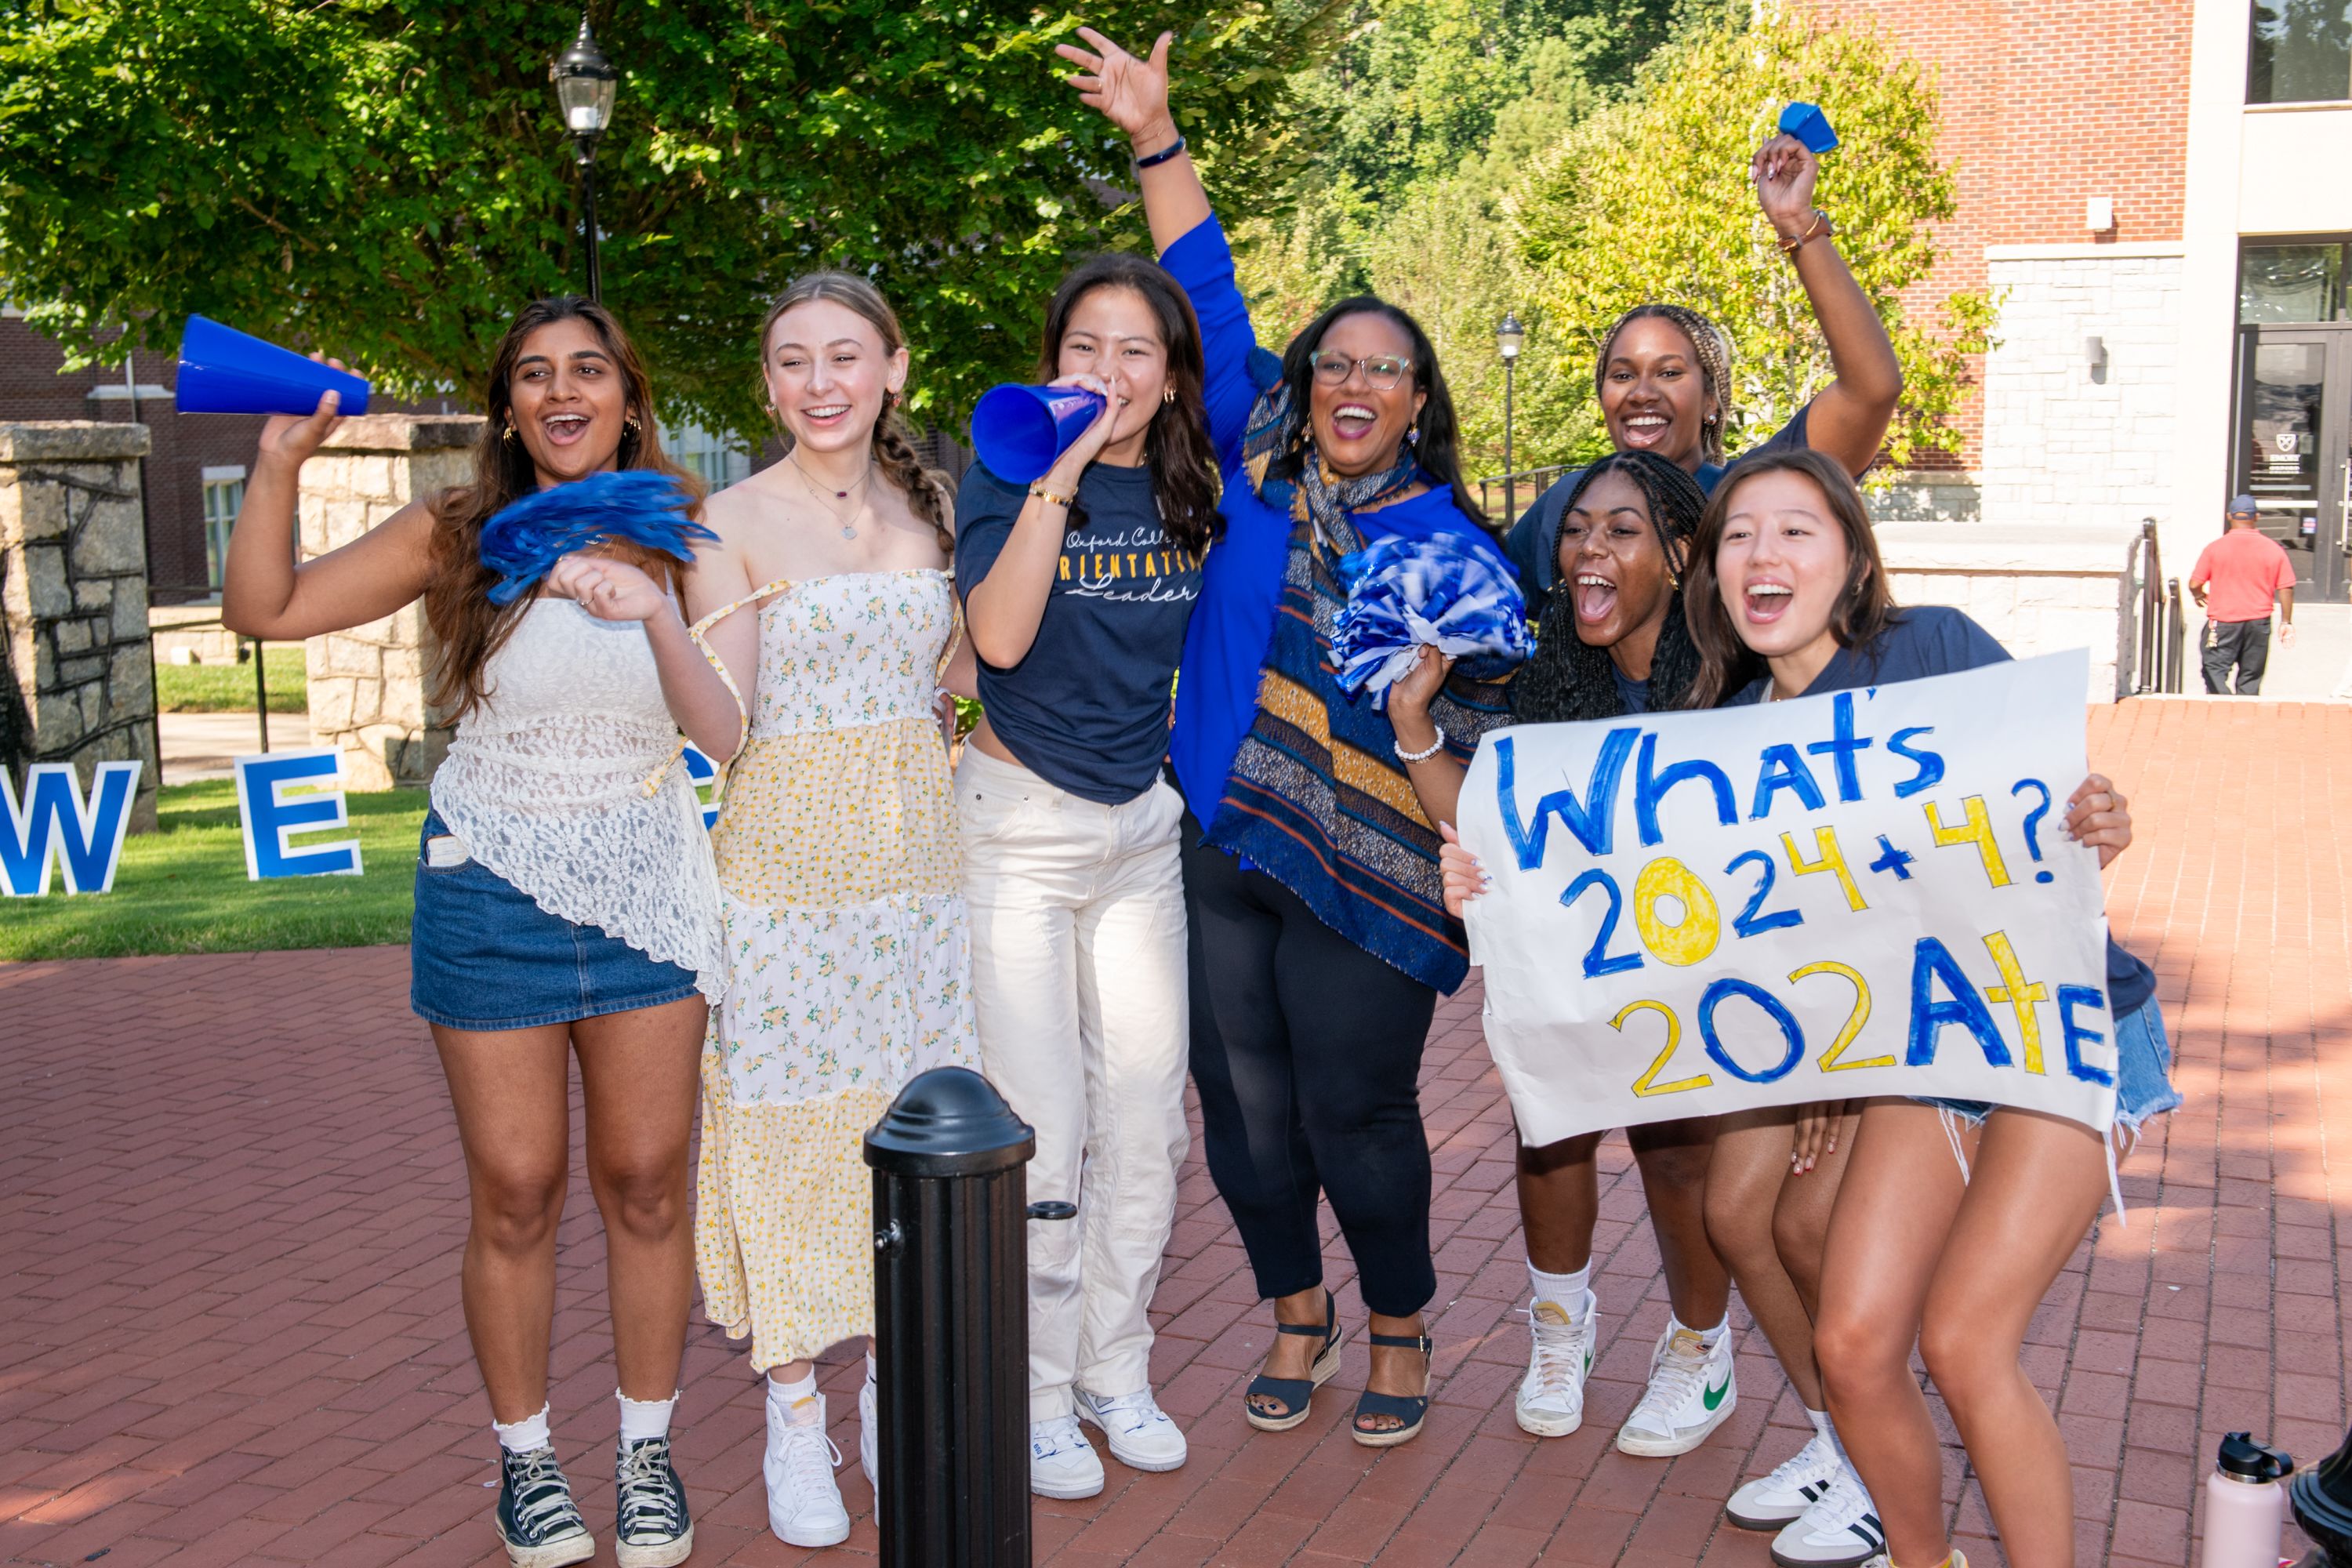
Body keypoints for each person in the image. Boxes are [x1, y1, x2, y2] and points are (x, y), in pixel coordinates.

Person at [1062, 26, 1517, 1448]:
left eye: (1387, 369)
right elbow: (1203, 278)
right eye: (1335, 363)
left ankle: (1397, 1322)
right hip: (1215, 836)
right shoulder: (1251, 470)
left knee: (1355, 1113)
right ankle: (1294, 1315)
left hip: (1371, 860)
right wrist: (1155, 131)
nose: (1355, 384)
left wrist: (1432, 717)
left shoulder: (1456, 550)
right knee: (1244, 1118)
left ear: (1417, 403)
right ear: (1305, 383)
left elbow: (1491, 732)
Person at [221, 298, 721, 1568]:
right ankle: (528, 1463)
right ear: (508, 407)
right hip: (489, 882)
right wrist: (279, 464)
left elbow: (730, 722)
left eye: (588, 371)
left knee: (649, 1184)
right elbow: (264, 611)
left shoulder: (683, 524)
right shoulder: (458, 532)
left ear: (628, 394)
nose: (563, 393)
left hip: (647, 885)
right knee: (515, 1191)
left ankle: (648, 1452)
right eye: (536, 376)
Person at [1676, 449, 2178, 1568]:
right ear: (1714, 574)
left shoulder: (1934, 646)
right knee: (1853, 1347)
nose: (1765, 552)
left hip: (2059, 1030)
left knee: (1963, 1343)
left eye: (1797, 530)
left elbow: (2056, 804)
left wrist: (2099, 814)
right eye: (1739, 534)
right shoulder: (1720, 746)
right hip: (1928, 1051)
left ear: (1852, 561)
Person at [681, 273, 977, 1547]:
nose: (819, 382)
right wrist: (656, 621)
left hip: (919, 880)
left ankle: (889, 1392)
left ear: (893, 371)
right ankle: (794, 1411)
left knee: (906, 1131)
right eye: (793, 361)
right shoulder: (728, 518)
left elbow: (960, 674)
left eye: (844, 357)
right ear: (767, 385)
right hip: (784, 880)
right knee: (789, 1136)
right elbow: (724, 727)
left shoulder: (937, 506)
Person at [1406, 452, 1756, 1461]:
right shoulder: (1556, 667)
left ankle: (1700, 1346)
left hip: (1706, 961)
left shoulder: (1740, 675)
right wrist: (1415, 724)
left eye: (1622, 529)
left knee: (1681, 1150)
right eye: (1576, 529)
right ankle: (1561, 1328)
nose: (1588, 547)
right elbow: (1492, 822)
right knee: (1548, 1121)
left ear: (1681, 554)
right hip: (1589, 956)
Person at [953, 252, 1221, 1497]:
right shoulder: (1006, 466)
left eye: (1135, 353)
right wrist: (1055, 473)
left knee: (1149, 1121)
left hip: (1136, 835)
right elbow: (997, 641)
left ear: (1170, 382)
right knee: (1045, 1132)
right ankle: (1040, 1392)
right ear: (1050, 358)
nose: (1106, 373)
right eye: (1083, 349)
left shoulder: (1193, 492)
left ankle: (1117, 1368)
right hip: (1016, 830)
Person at [1500, 131, 1904, 598]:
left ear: (1711, 400)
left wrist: (1796, 222)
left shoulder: (1744, 500)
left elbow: (1872, 389)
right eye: (1623, 375)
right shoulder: (1563, 510)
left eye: (1670, 373)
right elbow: (1483, 626)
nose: (1642, 392)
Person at [2190, 494, 2298, 695]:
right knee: (2251, 675)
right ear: (2256, 517)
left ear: (2229, 516)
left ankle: (2221, 703)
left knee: (2214, 667)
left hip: (2223, 621)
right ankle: (2244, 710)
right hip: (2258, 622)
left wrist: (2198, 595)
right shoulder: (2273, 550)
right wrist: (2286, 622)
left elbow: (2195, 583)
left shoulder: (2215, 548)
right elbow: (2286, 587)